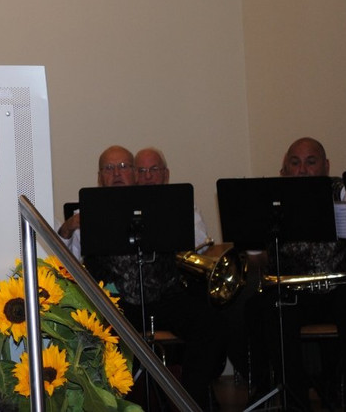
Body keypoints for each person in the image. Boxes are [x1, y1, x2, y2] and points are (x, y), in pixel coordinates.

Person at [60, 145, 224, 408]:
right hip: (116, 307)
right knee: (89, 329)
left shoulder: (165, 204)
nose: (117, 173)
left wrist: (170, 219)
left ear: (136, 174)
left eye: (124, 167)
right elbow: (63, 263)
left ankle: (191, 401)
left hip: (164, 299)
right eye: (109, 168)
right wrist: (67, 229)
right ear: (100, 177)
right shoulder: (87, 213)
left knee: (208, 322)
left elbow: (199, 242)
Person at [261, 137, 346, 411]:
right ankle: (295, 401)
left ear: (326, 166)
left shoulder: (342, 191)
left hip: (343, 289)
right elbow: (259, 257)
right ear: (284, 169)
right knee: (268, 309)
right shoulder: (274, 200)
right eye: (295, 163)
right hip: (299, 294)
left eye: (310, 162)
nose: (302, 170)